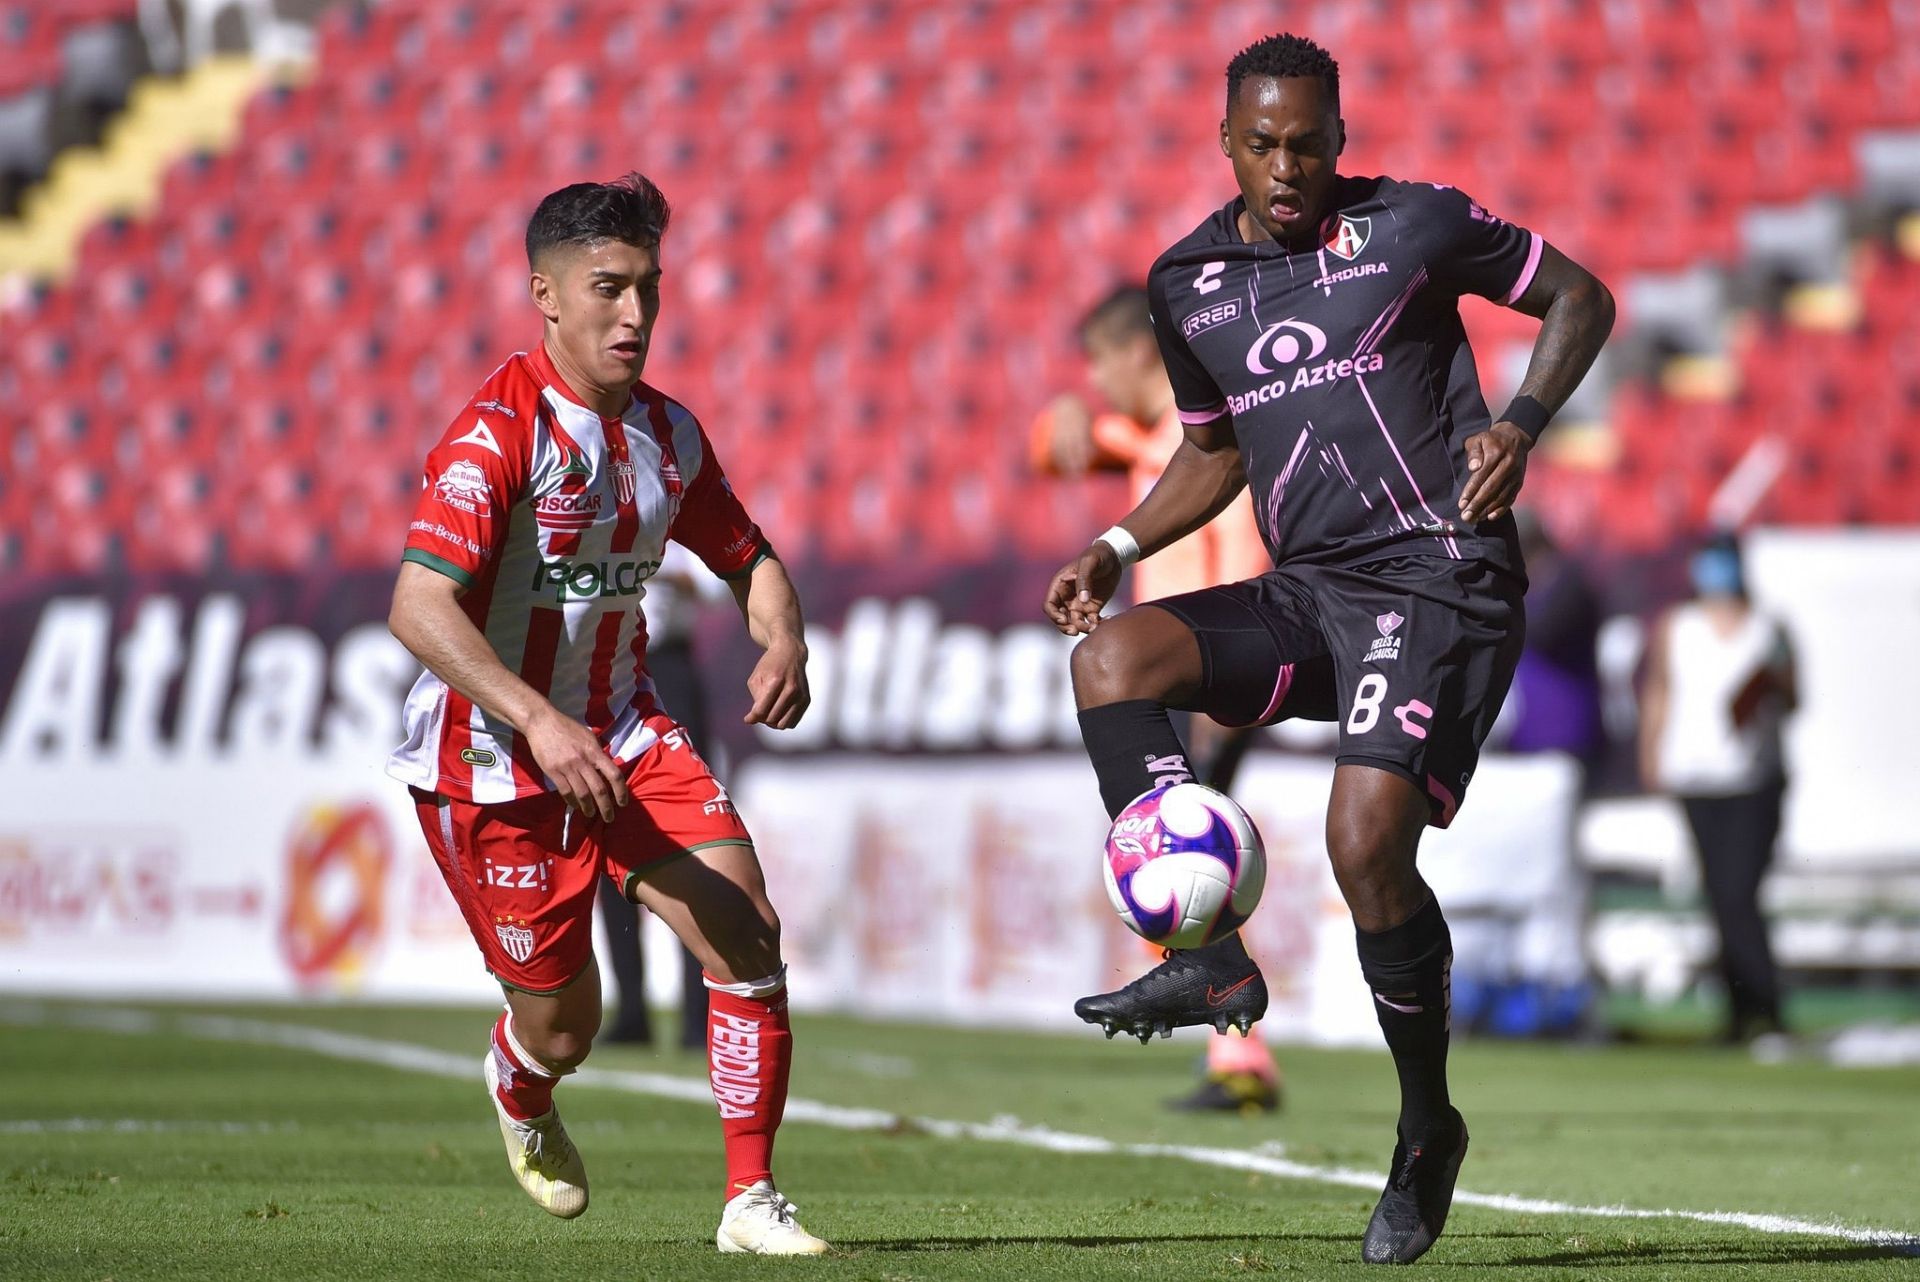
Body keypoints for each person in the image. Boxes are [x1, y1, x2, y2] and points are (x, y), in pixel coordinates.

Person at [1041, 34, 1613, 1265]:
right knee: (1110, 663)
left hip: (1442, 573)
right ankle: (1212, 964)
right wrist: (1116, 540)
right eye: (1263, 145)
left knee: (1363, 842)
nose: (1287, 165)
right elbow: (1213, 449)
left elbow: (1582, 295)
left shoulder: (1414, 225)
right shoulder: (1187, 282)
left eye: (1308, 142)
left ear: (1341, 137)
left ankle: (1424, 1131)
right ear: (1227, 145)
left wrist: (1518, 424)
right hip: (1312, 588)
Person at [385, 173, 828, 1255]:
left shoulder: (668, 436)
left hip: (624, 725)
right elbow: (416, 604)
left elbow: (749, 557)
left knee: (744, 923)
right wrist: (537, 720)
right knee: (566, 1023)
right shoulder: (498, 435)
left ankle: (749, 1199)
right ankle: (521, 1079)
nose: (634, 315)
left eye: (650, 290)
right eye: (608, 289)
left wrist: (784, 635)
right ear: (544, 293)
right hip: (491, 757)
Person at [1032, 285, 1283, 1114]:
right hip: (1171, 678)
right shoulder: (1149, 438)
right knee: (1185, 859)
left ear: (1137, 354)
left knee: (1193, 859)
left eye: (1099, 363)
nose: (1096, 380)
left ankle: (1242, 1058)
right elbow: (1054, 445)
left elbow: (1241, 557)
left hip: (1206, 676)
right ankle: (1233, 1052)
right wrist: (1062, 414)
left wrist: (1225, 694)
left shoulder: (1196, 445)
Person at [1639, 532, 1797, 1045]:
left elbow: (1794, 698)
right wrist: (1653, 752)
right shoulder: (1677, 626)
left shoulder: (1769, 628)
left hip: (1753, 779)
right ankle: (1741, 1010)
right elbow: (1661, 690)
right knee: (1721, 895)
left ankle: (1764, 1006)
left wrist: (1769, 686)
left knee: (1738, 893)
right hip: (1697, 777)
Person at [596, 543, 728, 1049]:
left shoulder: (670, 508)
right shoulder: (592, 505)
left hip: (666, 665)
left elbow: (716, 585)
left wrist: (658, 571)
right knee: (605, 828)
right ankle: (633, 1008)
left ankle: (699, 1013)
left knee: (691, 839)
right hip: (601, 665)